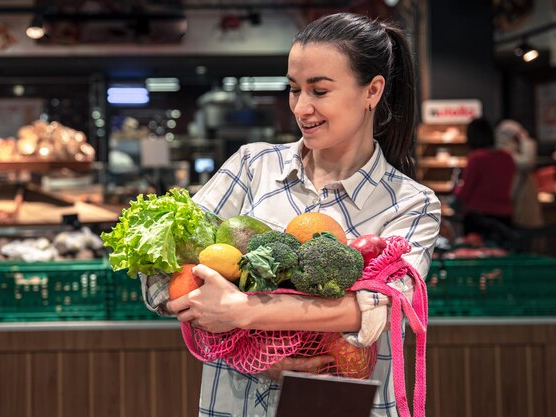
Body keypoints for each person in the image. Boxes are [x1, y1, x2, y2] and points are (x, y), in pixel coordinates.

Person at [142, 12, 441, 417]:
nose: (302, 107)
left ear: (371, 90)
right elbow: (160, 268)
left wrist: (246, 313)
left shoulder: (411, 203)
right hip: (238, 404)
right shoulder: (252, 167)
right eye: (294, 89)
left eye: (319, 91)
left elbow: (385, 305)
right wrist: (247, 347)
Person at [454, 117, 516, 242]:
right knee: (502, 256)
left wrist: (455, 188)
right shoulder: (507, 157)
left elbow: (464, 193)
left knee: (475, 256)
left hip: (478, 218)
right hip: (504, 216)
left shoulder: (476, 158)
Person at [495, 119, 544, 229]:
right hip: (518, 204)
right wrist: (526, 140)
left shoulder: (506, 151)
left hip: (516, 202)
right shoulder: (506, 153)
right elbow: (527, 162)